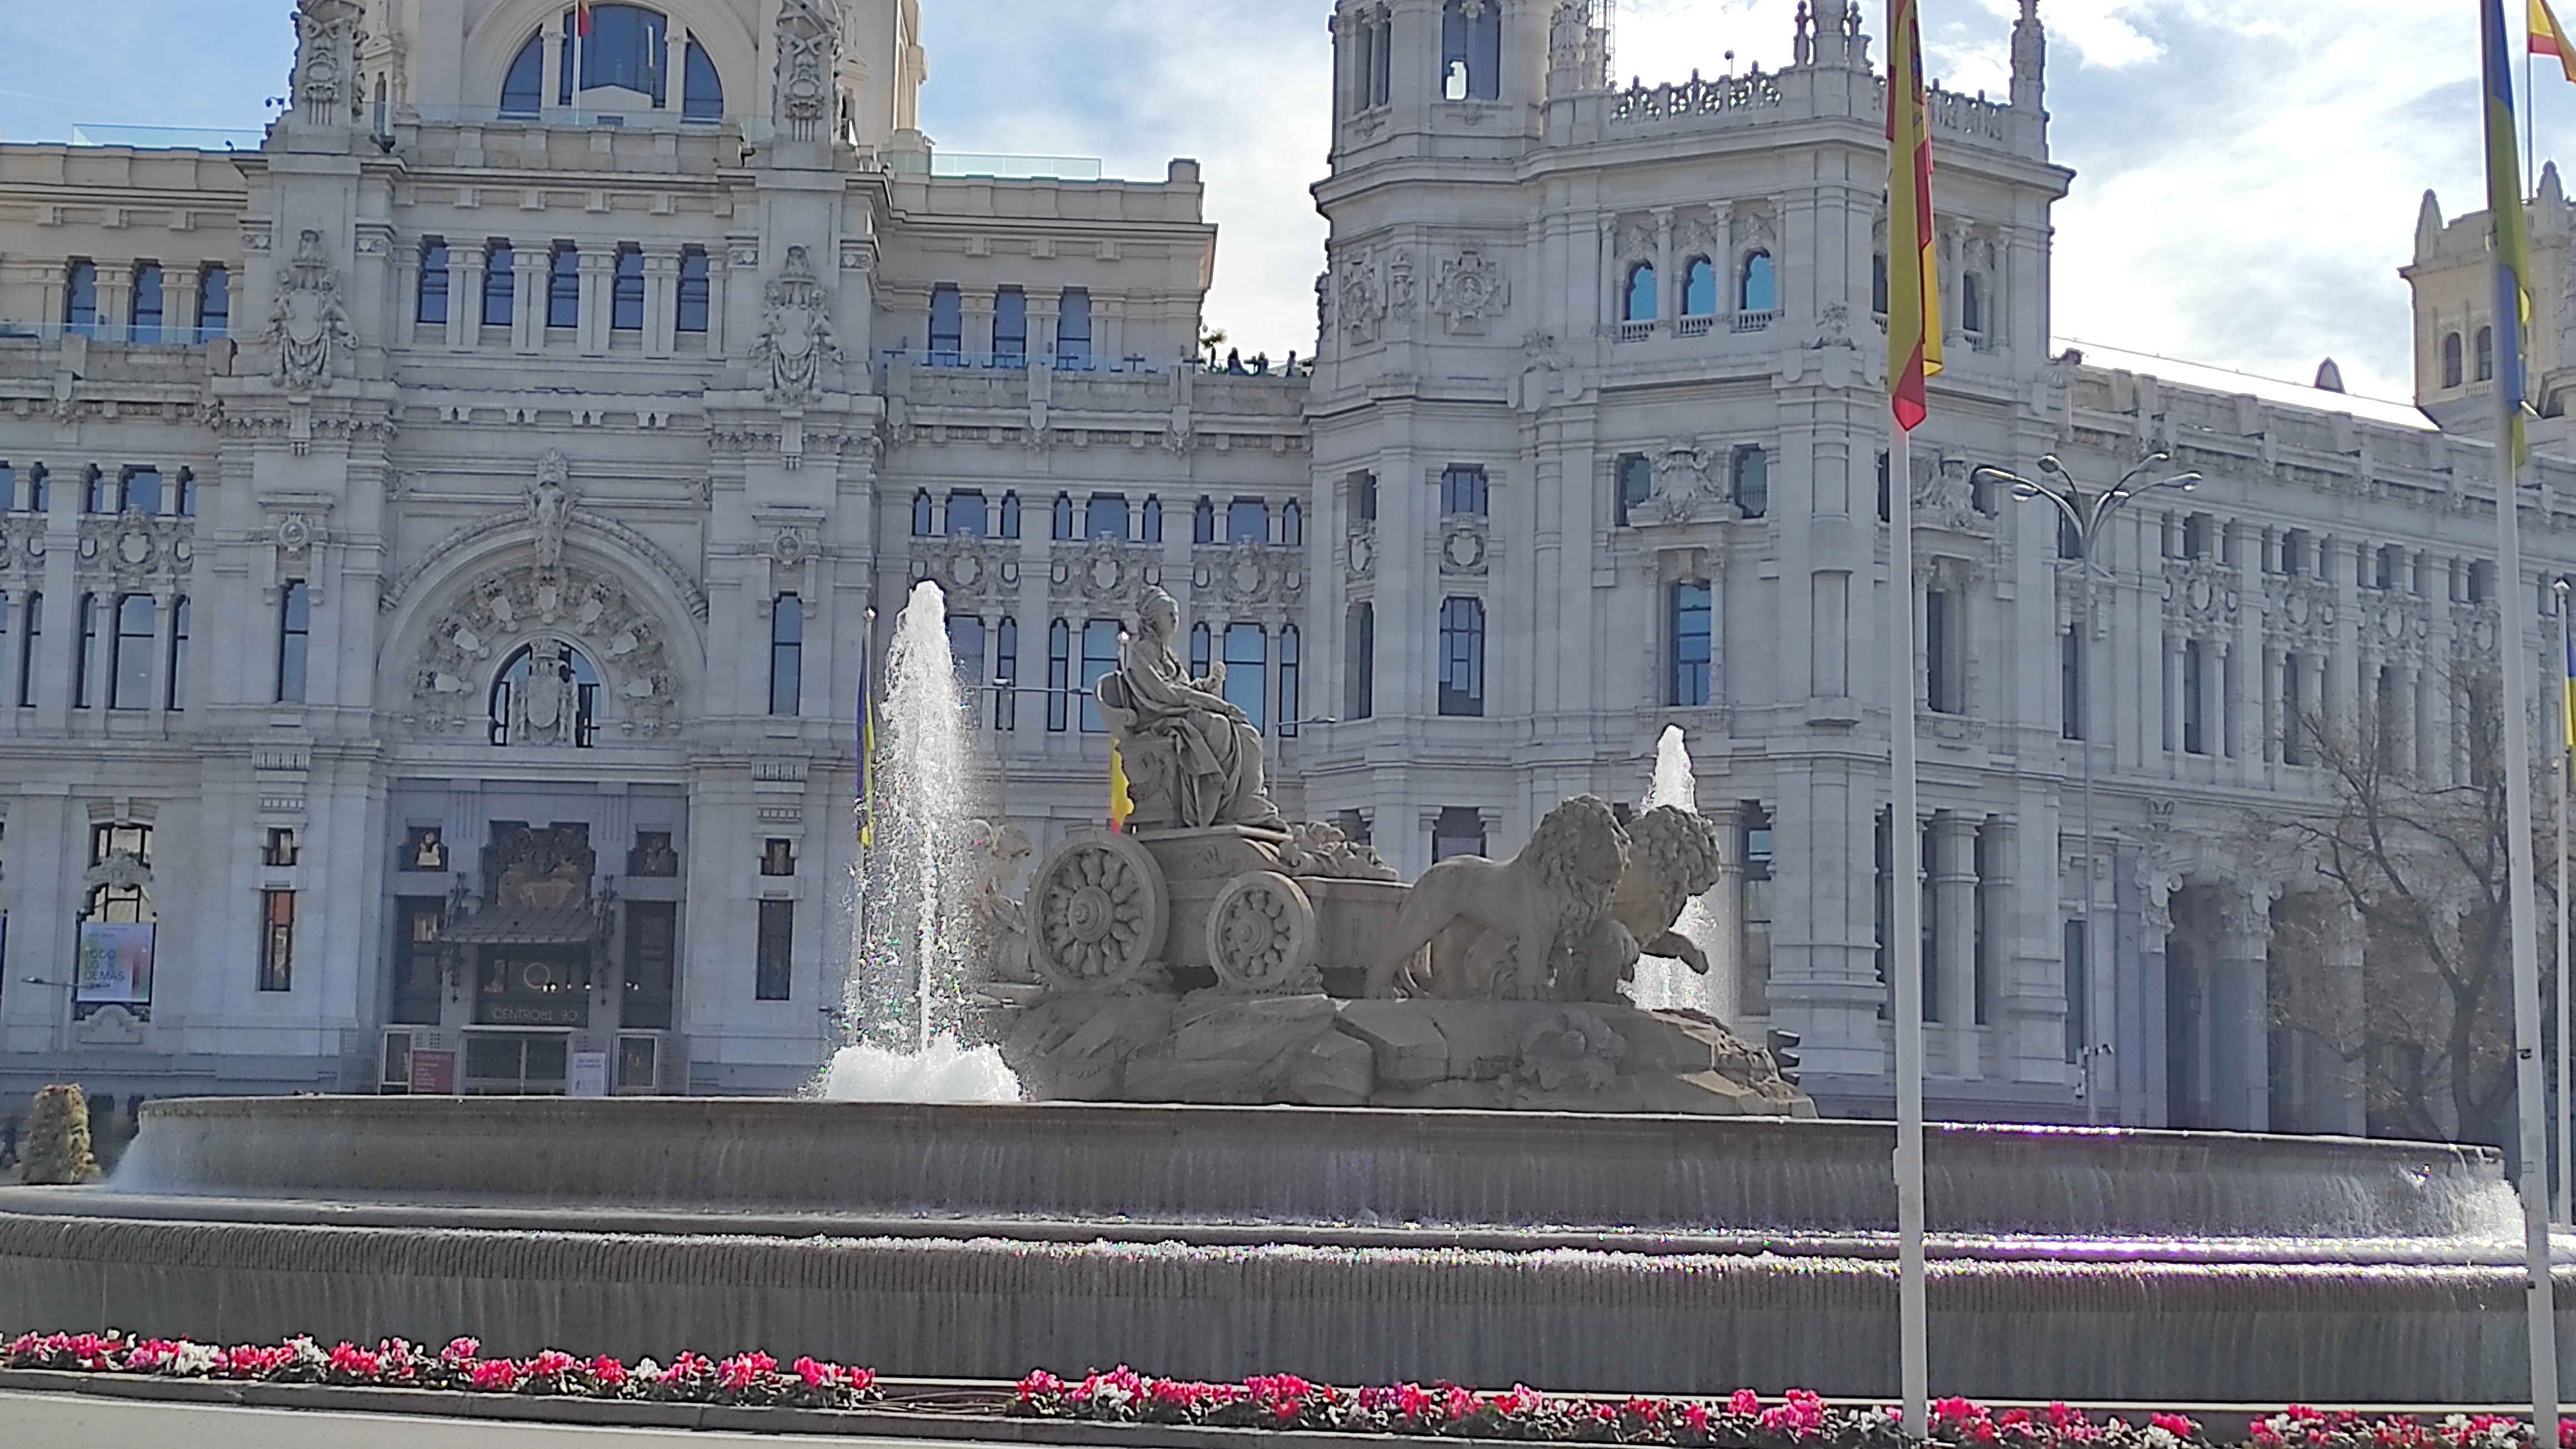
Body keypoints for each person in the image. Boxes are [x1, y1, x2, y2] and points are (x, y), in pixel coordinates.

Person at [1095, 587, 1281, 830]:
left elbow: (1183, 687)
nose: (1175, 620)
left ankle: (1247, 800)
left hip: (1178, 711)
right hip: (1160, 717)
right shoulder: (1143, 651)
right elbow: (1165, 693)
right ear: (1152, 619)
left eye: (1176, 614)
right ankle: (1214, 805)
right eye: (1169, 614)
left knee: (1248, 734)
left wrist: (1207, 685)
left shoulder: (1168, 654)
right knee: (1218, 726)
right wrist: (1214, 703)